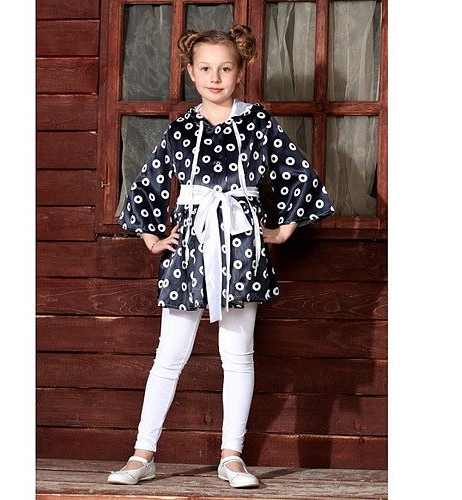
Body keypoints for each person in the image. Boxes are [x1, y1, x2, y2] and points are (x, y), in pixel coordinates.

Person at [107, 24, 334, 489]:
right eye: (206, 68)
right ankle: (142, 454)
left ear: (240, 72)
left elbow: (297, 172)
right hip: (190, 248)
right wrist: (151, 236)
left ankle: (232, 457)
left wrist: (284, 228)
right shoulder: (182, 128)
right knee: (169, 355)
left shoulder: (258, 123)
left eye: (225, 69)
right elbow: (149, 179)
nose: (215, 77)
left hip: (241, 247)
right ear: (191, 73)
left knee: (238, 354)